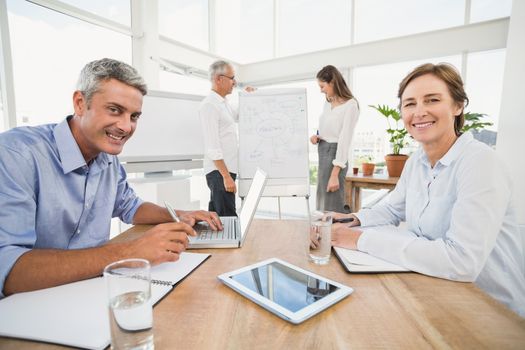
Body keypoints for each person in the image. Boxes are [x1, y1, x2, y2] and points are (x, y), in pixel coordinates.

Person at [0, 58, 222, 297]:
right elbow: (8, 269)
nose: (126, 127)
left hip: (90, 289)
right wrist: (129, 252)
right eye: (115, 110)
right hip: (31, 301)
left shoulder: (108, 158)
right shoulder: (16, 155)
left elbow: (130, 206)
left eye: (134, 116)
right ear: (80, 103)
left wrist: (179, 214)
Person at [330, 63, 525, 317]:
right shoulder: (416, 161)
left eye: (432, 100)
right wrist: (352, 220)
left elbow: (461, 261)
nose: (419, 111)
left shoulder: (480, 163)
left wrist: (361, 239)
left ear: (458, 106)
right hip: (434, 290)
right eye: (410, 104)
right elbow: (392, 208)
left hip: (490, 311)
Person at [310, 65, 359, 212]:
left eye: (322, 86)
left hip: (335, 158)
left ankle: (336, 234)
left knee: (333, 206)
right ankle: (325, 235)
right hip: (323, 152)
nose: (321, 90)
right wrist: (318, 136)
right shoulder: (328, 103)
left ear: (332, 82)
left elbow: (344, 140)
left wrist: (335, 174)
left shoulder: (351, 105)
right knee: (322, 203)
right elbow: (330, 130)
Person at [199, 60, 242, 216]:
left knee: (218, 218)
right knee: (228, 217)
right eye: (232, 78)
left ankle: (219, 241)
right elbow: (213, 146)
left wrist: (249, 97)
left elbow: (238, 114)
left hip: (226, 171)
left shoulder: (224, 104)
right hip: (219, 172)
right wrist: (226, 177)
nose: (234, 82)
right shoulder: (210, 105)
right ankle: (230, 242)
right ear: (218, 79)